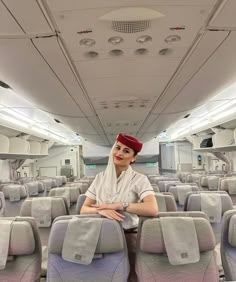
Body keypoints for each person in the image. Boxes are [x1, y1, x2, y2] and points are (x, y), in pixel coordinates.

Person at [81, 133, 158, 281]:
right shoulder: (99, 178)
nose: (119, 153)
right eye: (117, 148)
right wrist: (101, 210)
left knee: (131, 277)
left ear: (133, 158)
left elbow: (152, 209)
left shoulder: (139, 179)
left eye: (126, 151)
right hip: (101, 235)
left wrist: (120, 205)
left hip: (129, 237)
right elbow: (84, 209)